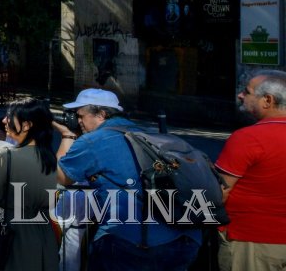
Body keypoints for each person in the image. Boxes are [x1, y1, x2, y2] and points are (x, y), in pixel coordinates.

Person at [55, 88, 200, 270]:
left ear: (101, 114)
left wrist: (67, 135)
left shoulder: (94, 140)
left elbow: (62, 176)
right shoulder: (145, 133)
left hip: (129, 244)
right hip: (181, 241)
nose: (77, 121)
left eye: (80, 115)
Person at [0, 98, 60, 271]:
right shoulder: (49, 157)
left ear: (26, 125)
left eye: (9, 116)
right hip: (43, 236)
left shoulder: (7, 156)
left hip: (14, 237)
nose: (4, 121)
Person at [214, 70, 286, 270]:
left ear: (267, 100)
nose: (240, 95)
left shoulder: (249, 138)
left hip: (253, 241)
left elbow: (219, 192)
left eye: (247, 92)